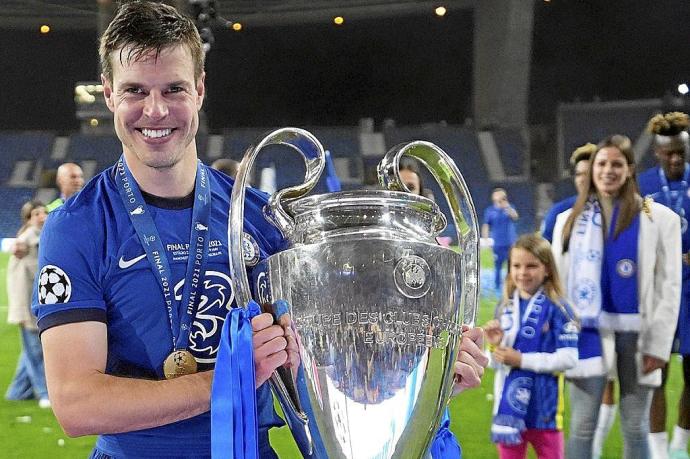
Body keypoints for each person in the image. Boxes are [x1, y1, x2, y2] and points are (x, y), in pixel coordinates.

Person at [32, 3, 487, 458]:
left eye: (174, 88)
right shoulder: (77, 226)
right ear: (109, 94)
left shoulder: (260, 218)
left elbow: (325, 373)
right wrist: (230, 378)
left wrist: (430, 373)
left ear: (201, 90)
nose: (155, 110)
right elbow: (78, 404)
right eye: (135, 90)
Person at [552, 134, 682, 459]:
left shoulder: (659, 219)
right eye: (602, 163)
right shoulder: (566, 222)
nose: (608, 170)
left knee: (636, 427)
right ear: (592, 168)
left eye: (616, 164)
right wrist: (561, 339)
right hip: (587, 335)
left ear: (630, 170)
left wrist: (660, 345)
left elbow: (670, 286)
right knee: (582, 426)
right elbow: (558, 286)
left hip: (640, 338)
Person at [484, 234, 579, 459]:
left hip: (545, 411)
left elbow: (569, 359)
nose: (522, 273)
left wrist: (522, 360)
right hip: (508, 410)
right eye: (516, 266)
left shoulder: (560, 308)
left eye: (531, 266)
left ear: (547, 269)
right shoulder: (505, 306)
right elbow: (497, 365)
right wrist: (494, 346)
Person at [638, 112, 690, 459]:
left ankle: (679, 446)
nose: (675, 158)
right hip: (659, 293)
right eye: (668, 152)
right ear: (657, 152)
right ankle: (658, 453)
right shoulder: (642, 186)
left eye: (681, 152)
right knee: (656, 372)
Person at [5, 200, 49, 408]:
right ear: (29, 219)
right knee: (35, 349)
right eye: (36, 213)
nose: (42, 216)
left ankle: (17, 392)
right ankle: (44, 393)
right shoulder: (27, 240)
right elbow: (21, 247)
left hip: (32, 304)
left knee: (31, 351)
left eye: (44, 212)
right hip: (26, 305)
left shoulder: (42, 238)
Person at [541, 143, 595, 243]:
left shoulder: (616, 210)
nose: (582, 179)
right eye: (578, 174)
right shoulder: (559, 212)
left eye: (588, 174)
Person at [482, 188, 519, 292]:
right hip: (498, 243)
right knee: (497, 266)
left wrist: (507, 207)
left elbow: (515, 217)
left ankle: (511, 286)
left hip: (510, 242)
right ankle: (497, 287)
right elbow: (486, 225)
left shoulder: (509, 208)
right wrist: (486, 240)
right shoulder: (490, 211)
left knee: (511, 265)